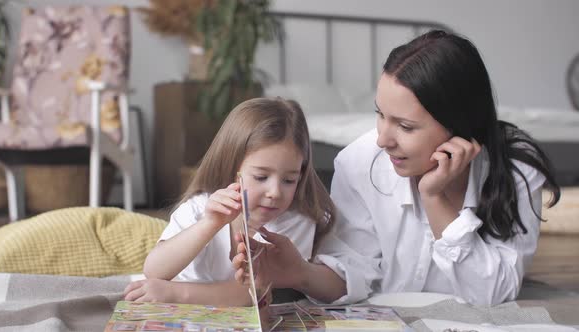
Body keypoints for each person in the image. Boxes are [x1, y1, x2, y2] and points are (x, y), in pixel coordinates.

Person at [233, 30, 560, 306]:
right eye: (380, 114)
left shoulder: (515, 170)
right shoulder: (359, 162)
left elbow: (496, 294)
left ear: (459, 125)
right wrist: (300, 273)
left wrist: (435, 200)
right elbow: (353, 269)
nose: (383, 140)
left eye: (405, 126)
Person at [124, 97, 335, 306]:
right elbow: (154, 270)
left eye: (289, 180)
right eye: (261, 177)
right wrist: (209, 224)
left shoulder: (296, 221)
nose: (275, 192)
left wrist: (176, 294)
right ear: (233, 169)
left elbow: (254, 293)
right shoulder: (199, 208)